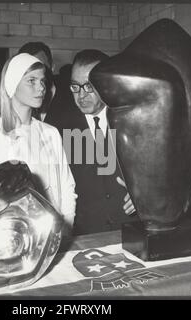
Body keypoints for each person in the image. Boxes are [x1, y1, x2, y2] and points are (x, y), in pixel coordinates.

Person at [0, 53, 77, 237]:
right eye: (32, 81)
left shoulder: (50, 133)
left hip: (53, 233)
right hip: (12, 237)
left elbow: (66, 185)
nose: (41, 87)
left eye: (42, 81)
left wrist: (66, 226)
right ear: (12, 85)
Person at [60, 49, 137, 235]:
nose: (81, 95)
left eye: (89, 86)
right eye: (75, 87)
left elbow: (160, 174)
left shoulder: (133, 122)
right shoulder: (59, 130)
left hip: (132, 230)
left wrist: (144, 196)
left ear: (107, 84)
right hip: (85, 238)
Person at [18, 42, 55, 121]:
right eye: (29, 68)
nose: (35, 72)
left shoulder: (73, 100)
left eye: (40, 66)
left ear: (52, 67)